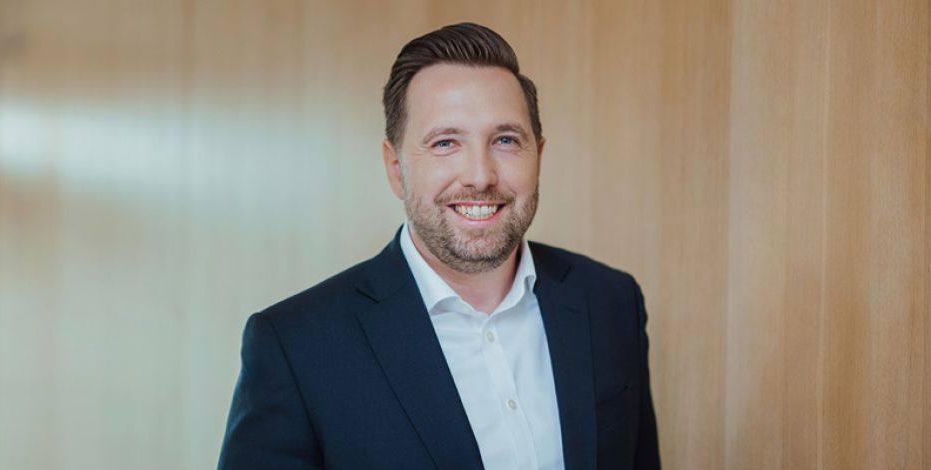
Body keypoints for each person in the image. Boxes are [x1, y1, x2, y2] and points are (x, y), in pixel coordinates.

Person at [219, 22, 660, 469]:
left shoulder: (611, 302)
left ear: (538, 156)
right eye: (446, 142)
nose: (480, 176)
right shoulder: (295, 346)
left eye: (506, 140)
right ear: (396, 168)